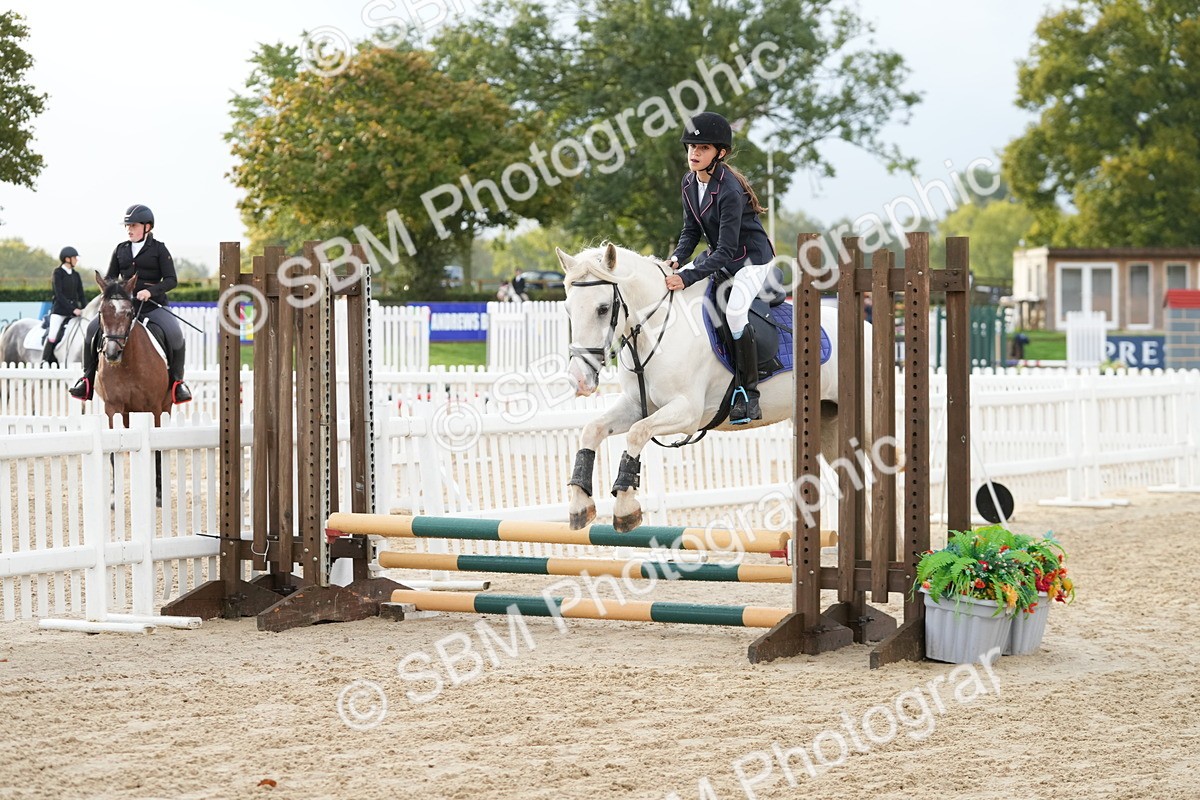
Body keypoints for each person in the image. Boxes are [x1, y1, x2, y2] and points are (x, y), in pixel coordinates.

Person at [663, 111, 775, 424]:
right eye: (691, 148)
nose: (694, 154)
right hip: (722, 257)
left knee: (735, 311)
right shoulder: (688, 183)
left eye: (703, 149)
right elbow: (691, 232)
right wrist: (676, 260)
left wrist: (685, 277)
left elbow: (725, 250)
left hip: (751, 260)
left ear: (720, 153)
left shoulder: (729, 190)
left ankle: (748, 393)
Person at [69, 204, 191, 403]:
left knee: (175, 334)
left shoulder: (159, 249)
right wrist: (111, 290)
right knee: (92, 330)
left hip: (152, 306)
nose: (129, 229)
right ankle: (86, 380)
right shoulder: (121, 249)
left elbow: (171, 280)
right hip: (123, 309)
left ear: (147, 227)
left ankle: (178, 383)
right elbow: (110, 277)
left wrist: (149, 291)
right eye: (127, 226)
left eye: (133, 225)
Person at [43, 246, 86, 365]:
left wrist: (85, 308)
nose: (76, 260)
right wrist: (73, 309)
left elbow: (81, 294)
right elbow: (59, 295)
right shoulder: (58, 273)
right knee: (53, 334)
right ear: (67, 259)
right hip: (59, 311)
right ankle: (45, 359)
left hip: (74, 313)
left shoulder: (76, 275)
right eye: (74, 258)